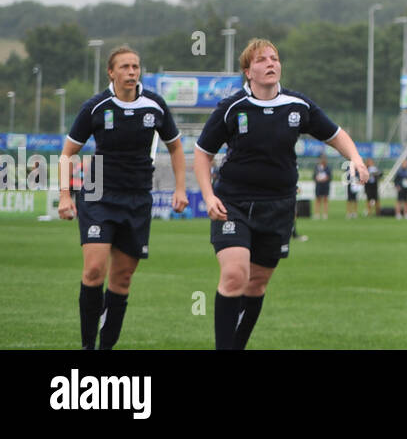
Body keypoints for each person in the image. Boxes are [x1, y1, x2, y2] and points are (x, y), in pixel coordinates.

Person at [194, 39, 368, 350]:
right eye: (262, 60)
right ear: (249, 71)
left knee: (257, 284)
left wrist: (354, 158)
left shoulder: (297, 105)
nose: (271, 63)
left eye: (274, 58)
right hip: (233, 204)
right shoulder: (232, 108)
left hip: (278, 207)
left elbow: (335, 134)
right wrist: (208, 196)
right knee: (235, 274)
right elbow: (202, 152)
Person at [58, 46, 188, 350]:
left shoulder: (154, 105)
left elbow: (176, 147)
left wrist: (180, 188)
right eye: (125, 67)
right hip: (98, 189)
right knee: (94, 269)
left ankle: (106, 347)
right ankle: (88, 346)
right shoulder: (95, 107)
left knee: (122, 279)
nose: (132, 72)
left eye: (136, 66)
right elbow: (68, 152)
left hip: (137, 196)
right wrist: (65, 195)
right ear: (111, 72)